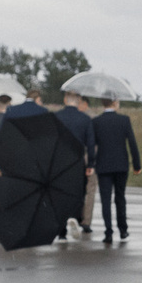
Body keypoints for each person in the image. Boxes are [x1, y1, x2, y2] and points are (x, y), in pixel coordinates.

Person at [89, 98, 141, 244]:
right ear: (115, 103)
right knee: (120, 197)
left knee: (105, 199)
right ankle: (123, 229)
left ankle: (108, 231)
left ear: (102, 103)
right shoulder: (124, 120)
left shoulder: (96, 122)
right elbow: (132, 142)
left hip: (103, 165)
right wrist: (136, 164)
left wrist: (91, 164)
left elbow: (92, 145)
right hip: (121, 165)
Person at [54, 92, 98, 237]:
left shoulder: (56, 116)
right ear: (78, 101)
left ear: (65, 100)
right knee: (78, 192)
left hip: (60, 160)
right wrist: (90, 164)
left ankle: (61, 232)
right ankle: (74, 216)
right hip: (78, 160)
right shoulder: (85, 119)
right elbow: (91, 144)